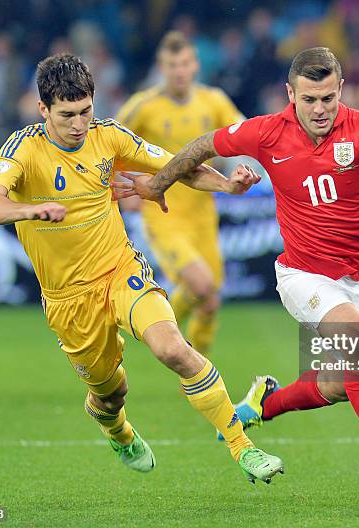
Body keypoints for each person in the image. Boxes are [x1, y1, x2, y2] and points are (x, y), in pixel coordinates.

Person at [111, 47, 359, 448]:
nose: (320, 110)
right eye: (309, 99)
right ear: (290, 94)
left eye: (328, 98)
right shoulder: (266, 132)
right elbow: (202, 145)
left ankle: (264, 404)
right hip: (304, 275)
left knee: (340, 384)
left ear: (341, 90)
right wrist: (157, 184)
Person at [0, 53, 283, 484]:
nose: (79, 124)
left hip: (119, 269)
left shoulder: (109, 136)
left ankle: (242, 448)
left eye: (86, 111)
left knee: (172, 348)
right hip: (68, 300)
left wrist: (227, 184)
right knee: (110, 393)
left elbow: (177, 167)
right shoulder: (23, 148)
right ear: (42, 109)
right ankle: (117, 430)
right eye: (67, 115)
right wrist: (33, 209)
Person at [116, 31, 244, 357]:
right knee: (201, 285)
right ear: (162, 66)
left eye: (185, 63)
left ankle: (199, 365)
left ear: (195, 65)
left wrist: (242, 167)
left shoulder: (213, 101)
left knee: (210, 300)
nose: (179, 71)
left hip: (203, 214)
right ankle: (157, 329)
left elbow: (243, 134)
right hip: (163, 213)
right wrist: (122, 187)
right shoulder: (142, 106)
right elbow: (108, 144)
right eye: (173, 65)